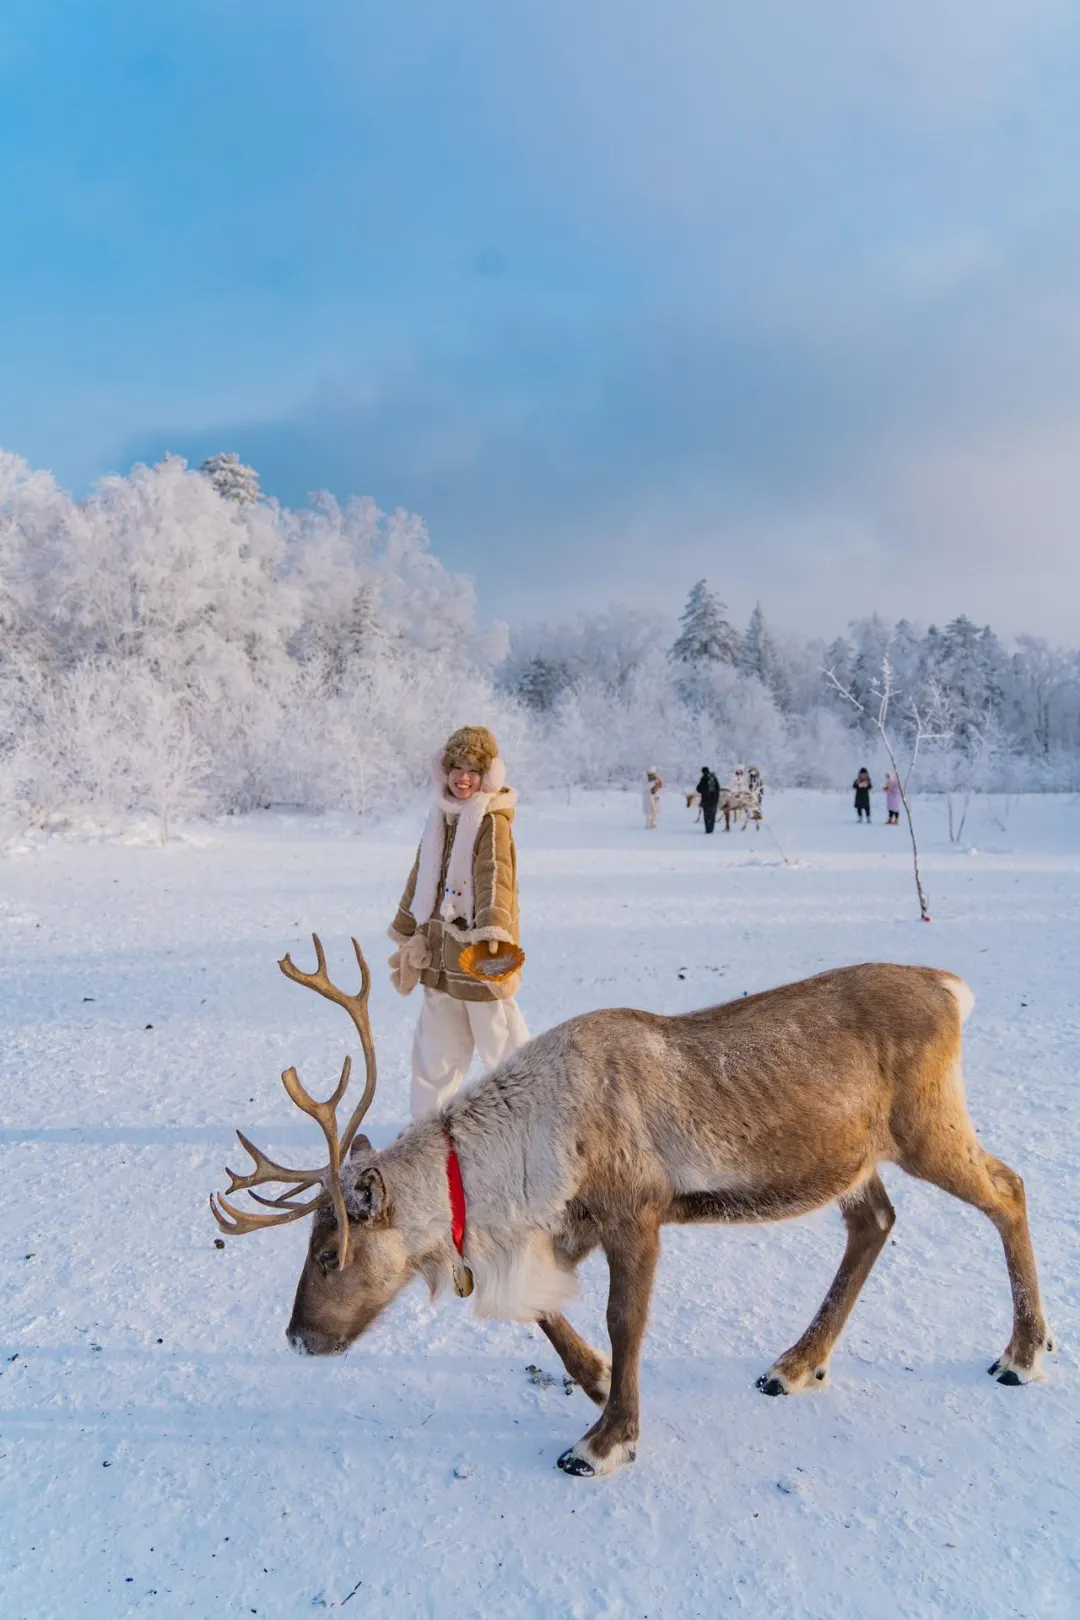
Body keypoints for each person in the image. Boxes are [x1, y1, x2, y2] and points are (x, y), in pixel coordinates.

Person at [389, 725, 529, 1120]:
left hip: (478, 955)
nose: (462, 777)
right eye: (456, 767)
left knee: (502, 1043)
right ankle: (426, 1129)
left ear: (488, 775)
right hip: (438, 954)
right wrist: (407, 932)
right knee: (435, 1049)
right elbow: (421, 877)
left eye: (472, 769)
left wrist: (492, 940)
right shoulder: (441, 817)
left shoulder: (492, 820)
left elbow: (495, 880)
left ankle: (533, 1119)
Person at [696, 765, 721, 834]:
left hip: (706, 800)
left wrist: (704, 792)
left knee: (707, 815)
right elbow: (718, 788)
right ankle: (711, 829)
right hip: (714, 800)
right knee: (712, 815)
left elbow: (698, 789)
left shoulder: (704, 778)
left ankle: (708, 830)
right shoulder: (714, 777)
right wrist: (716, 798)